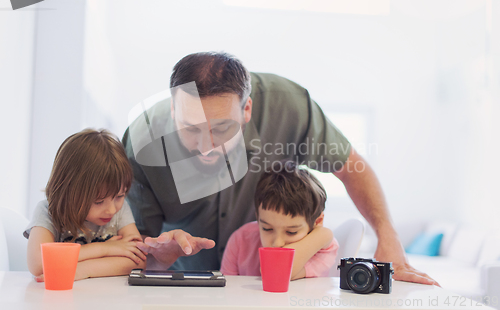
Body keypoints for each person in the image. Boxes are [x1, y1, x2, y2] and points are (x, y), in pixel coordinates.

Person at [124, 51, 438, 285]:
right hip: (188, 283)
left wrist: (388, 237)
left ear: (247, 110)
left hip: (268, 285)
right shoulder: (142, 141)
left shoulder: (289, 107)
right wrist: (156, 257)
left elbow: (351, 166)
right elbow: (138, 247)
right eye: (190, 129)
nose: (206, 146)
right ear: (173, 109)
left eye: (222, 129)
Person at [25, 129, 147, 281]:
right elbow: (38, 264)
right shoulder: (48, 211)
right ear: (69, 192)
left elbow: (138, 260)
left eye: (119, 196)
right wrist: (104, 249)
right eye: (98, 201)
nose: (111, 210)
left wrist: (80, 270)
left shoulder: (120, 211)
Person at [220, 160, 337, 280]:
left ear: (317, 222)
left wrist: (325, 235)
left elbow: (274, 272)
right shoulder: (241, 239)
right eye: (267, 228)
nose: (277, 243)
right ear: (258, 218)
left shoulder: (323, 246)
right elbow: (224, 292)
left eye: (291, 232)